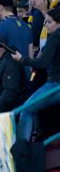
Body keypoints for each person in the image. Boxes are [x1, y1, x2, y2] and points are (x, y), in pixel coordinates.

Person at [12, 8, 60, 141]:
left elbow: (43, 62)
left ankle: (22, 148)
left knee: (26, 109)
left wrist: (22, 59)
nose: (45, 25)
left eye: (49, 22)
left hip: (55, 84)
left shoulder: (55, 37)